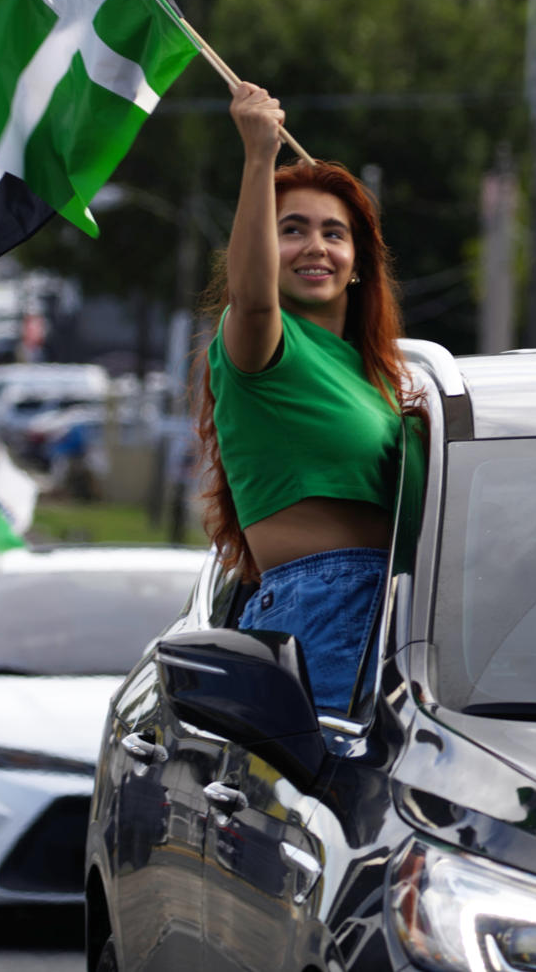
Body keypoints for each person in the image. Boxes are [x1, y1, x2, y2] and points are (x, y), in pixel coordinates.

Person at [196, 82, 423, 717]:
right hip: (323, 606)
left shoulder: (377, 373)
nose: (316, 247)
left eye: (334, 233)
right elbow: (252, 296)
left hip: (407, 612)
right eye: (292, 230)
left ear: (357, 261)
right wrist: (258, 156)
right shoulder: (257, 344)